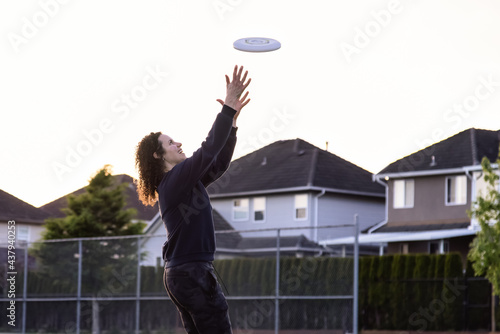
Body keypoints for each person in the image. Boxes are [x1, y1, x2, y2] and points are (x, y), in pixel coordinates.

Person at [135, 65, 251, 334]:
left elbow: (217, 163)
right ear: (157, 156)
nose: (178, 144)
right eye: (171, 143)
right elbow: (209, 148)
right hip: (191, 274)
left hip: (184, 274)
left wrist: (232, 125)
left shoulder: (184, 183)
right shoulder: (174, 180)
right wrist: (227, 109)